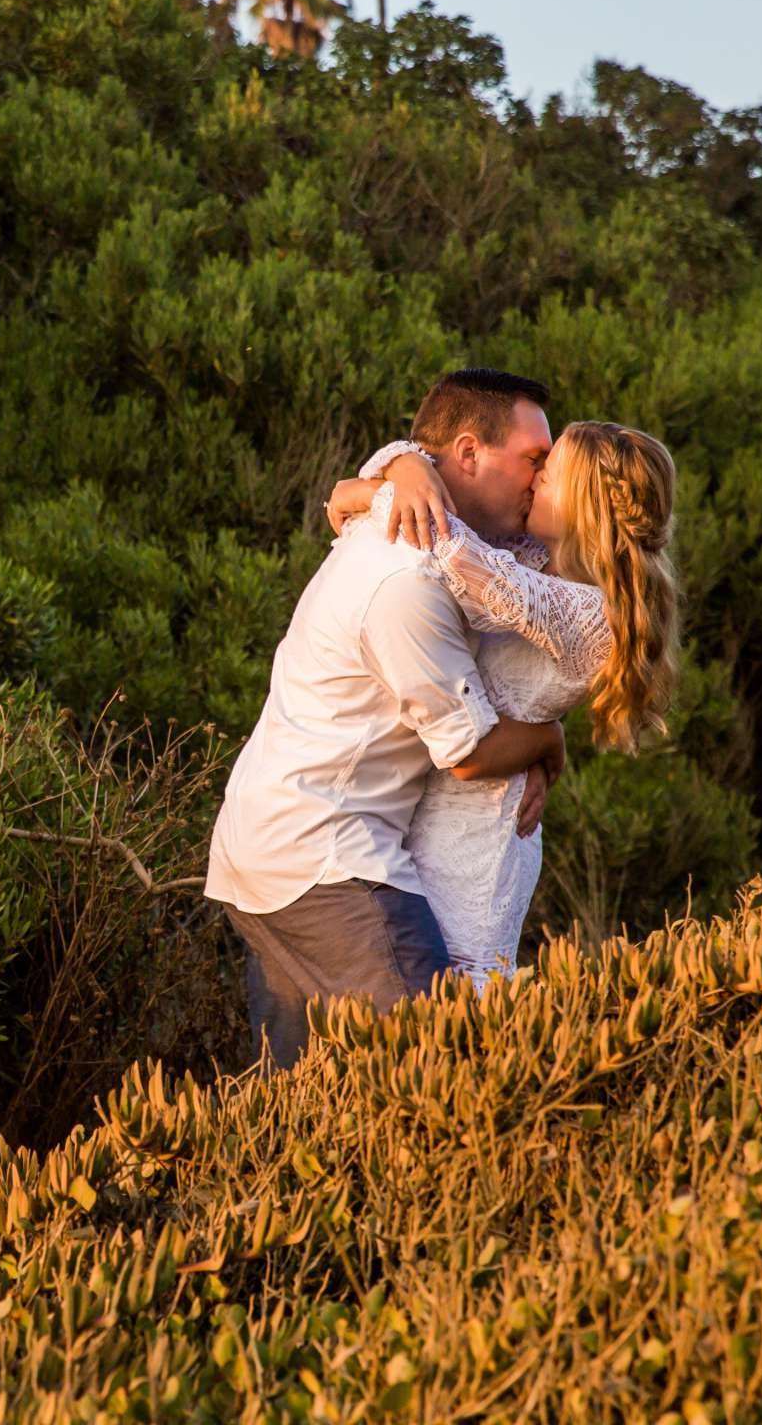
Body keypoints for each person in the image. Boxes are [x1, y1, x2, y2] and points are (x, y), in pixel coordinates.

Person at [204, 369, 564, 1069]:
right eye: (533, 459)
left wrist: (395, 466)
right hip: (325, 858)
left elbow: (355, 495)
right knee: (432, 1061)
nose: (541, 477)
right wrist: (548, 743)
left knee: (305, 1088)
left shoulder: (414, 528)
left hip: (265, 845)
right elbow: (469, 750)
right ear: (467, 454)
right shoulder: (408, 580)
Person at [324, 419, 681, 989]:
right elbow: (449, 528)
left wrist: (388, 484)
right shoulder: (538, 561)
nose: (534, 479)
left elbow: (454, 553)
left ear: (583, 505)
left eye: (550, 472)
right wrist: (400, 468)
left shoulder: (591, 615)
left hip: (479, 836)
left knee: (449, 1005)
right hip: (435, 805)